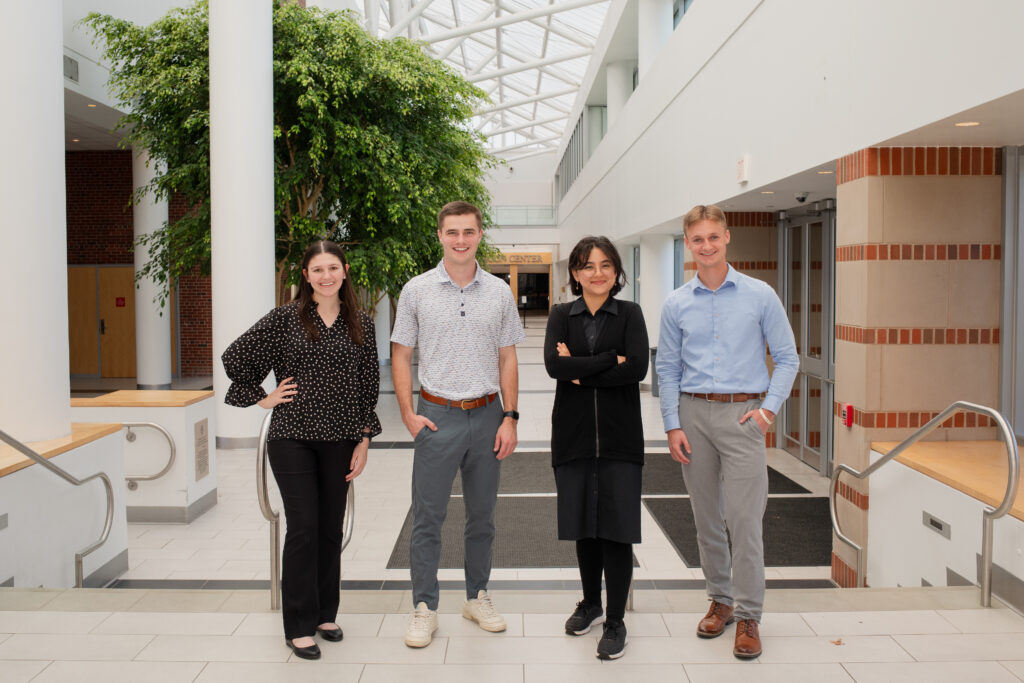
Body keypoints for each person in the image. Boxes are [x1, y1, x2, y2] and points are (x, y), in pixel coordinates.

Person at [222, 240, 381, 661]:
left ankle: (325, 613)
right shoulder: (283, 320)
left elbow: (368, 387)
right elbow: (235, 358)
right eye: (317, 269)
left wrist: (364, 439)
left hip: (343, 438)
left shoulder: (361, 323)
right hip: (292, 437)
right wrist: (261, 396)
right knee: (304, 526)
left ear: (345, 271)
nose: (326, 276)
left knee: (331, 528)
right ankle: (297, 624)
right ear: (306, 276)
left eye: (333, 268)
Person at [656, 205, 798, 660]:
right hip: (694, 416)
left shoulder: (760, 295)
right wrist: (672, 424)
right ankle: (719, 600)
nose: (706, 246)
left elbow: (788, 358)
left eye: (713, 237)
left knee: (744, 519)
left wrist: (767, 413)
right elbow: (668, 367)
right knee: (706, 519)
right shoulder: (676, 302)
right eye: (697, 239)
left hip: (744, 418)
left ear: (727, 237)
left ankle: (749, 613)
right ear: (688, 243)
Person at [391, 200, 525, 648]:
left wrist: (509, 416)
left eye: (469, 231)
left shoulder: (499, 292)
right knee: (427, 517)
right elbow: (401, 354)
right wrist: (408, 413)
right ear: (440, 235)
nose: (461, 240)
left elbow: (508, 356)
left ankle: (476, 596)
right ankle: (424, 607)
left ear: (480, 235)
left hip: (488, 414)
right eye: (453, 232)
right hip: (437, 415)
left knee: (482, 516)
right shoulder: (416, 290)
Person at [544, 236, 648, 660]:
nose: (598, 273)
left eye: (606, 265)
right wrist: (610, 360)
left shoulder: (630, 314)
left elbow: (637, 368)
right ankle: (590, 602)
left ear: (616, 271)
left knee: (617, 530)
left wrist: (581, 371)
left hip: (620, 439)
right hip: (573, 435)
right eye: (588, 266)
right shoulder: (560, 315)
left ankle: (616, 620)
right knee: (584, 525)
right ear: (575, 273)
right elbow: (555, 366)